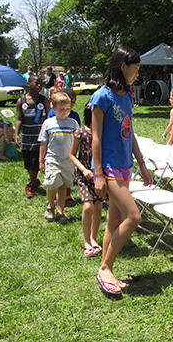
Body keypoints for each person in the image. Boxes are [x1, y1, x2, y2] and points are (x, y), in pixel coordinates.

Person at [92, 46, 152, 297]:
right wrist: (97, 174)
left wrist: (141, 164)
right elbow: (96, 138)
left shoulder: (127, 96)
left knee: (114, 221)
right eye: (135, 68)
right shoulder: (101, 97)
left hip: (126, 166)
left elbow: (131, 133)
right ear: (122, 66)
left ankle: (107, 269)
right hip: (109, 168)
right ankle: (105, 268)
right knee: (134, 217)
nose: (137, 73)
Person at [70, 102, 104, 257]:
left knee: (98, 207)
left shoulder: (103, 133)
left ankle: (93, 238)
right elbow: (72, 155)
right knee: (88, 206)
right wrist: (83, 169)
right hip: (84, 176)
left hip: (99, 175)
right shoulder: (80, 133)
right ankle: (86, 240)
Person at [39, 91, 78, 224]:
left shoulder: (73, 124)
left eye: (67, 109)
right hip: (52, 160)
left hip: (68, 161)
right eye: (61, 109)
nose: (65, 112)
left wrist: (76, 161)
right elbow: (43, 143)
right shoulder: (48, 123)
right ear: (53, 107)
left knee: (63, 186)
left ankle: (61, 211)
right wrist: (41, 161)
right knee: (51, 184)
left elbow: (76, 143)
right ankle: (50, 206)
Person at [15, 75, 50, 197]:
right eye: (36, 83)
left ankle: (30, 186)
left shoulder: (44, 100)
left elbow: (48, 118)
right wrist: (16, 134)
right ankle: (34, 181)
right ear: (29, 84)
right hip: (26, 136)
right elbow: (19, 119)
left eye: (41, 84)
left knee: (35, 161)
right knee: (28, 162)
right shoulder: (21, 101)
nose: (39, 86)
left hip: (39, 137)